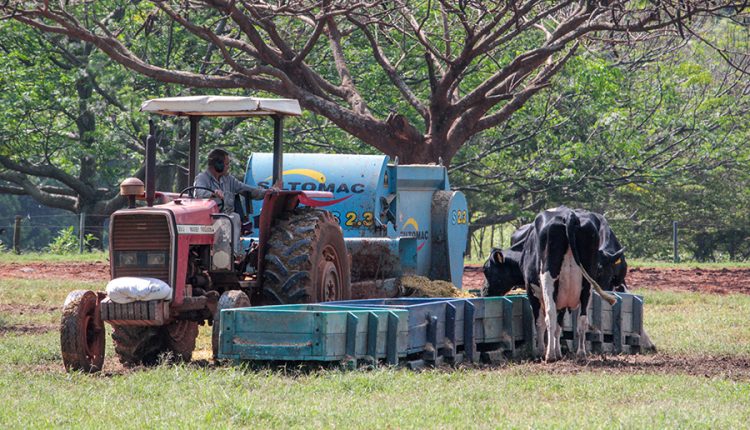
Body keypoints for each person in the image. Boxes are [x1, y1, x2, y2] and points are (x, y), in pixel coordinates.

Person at [193, 148, 271, 255]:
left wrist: (267, 192)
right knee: (232, 218)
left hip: (225, 217)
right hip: (209, 218)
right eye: (226, 164)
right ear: (217, 164)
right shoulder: (202, 178)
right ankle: (227, 255)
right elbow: (199, 193)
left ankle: (232, 255)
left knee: (233, 217)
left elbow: (249, 190)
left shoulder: (228, 180)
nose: (228, 166)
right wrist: (212, 193)